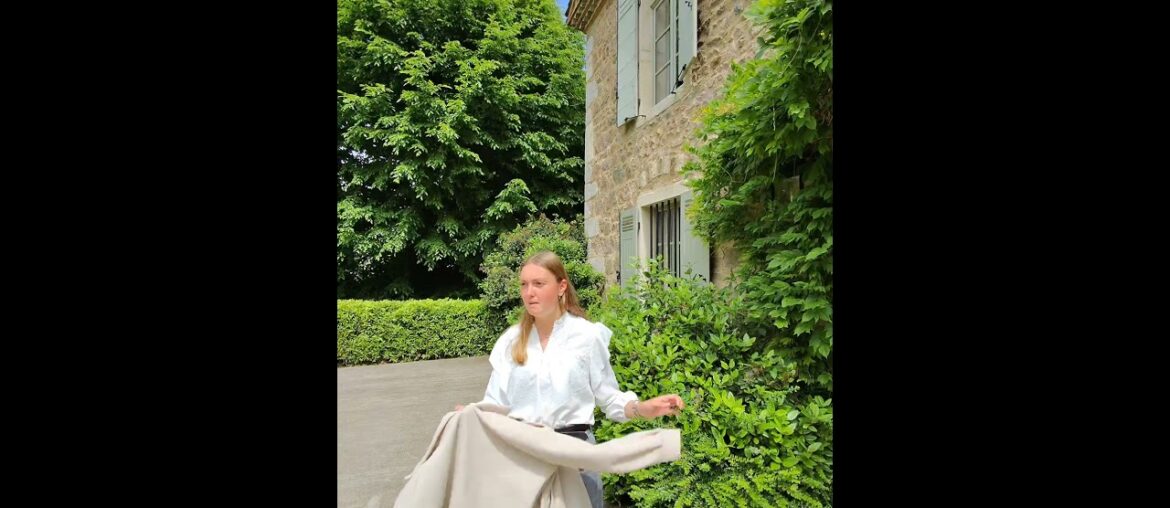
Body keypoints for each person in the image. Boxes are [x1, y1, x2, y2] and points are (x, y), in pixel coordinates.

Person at [456, 251, 684, 508]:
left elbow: (610, 399)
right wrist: (472, 414)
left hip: (576, 458)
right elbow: (494, 404)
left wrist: (642, 408)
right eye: (524, 284)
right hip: (524, 461)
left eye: (539, 284)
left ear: (561, 286)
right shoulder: (511, 340)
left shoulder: (587, 336)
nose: (529, 292)